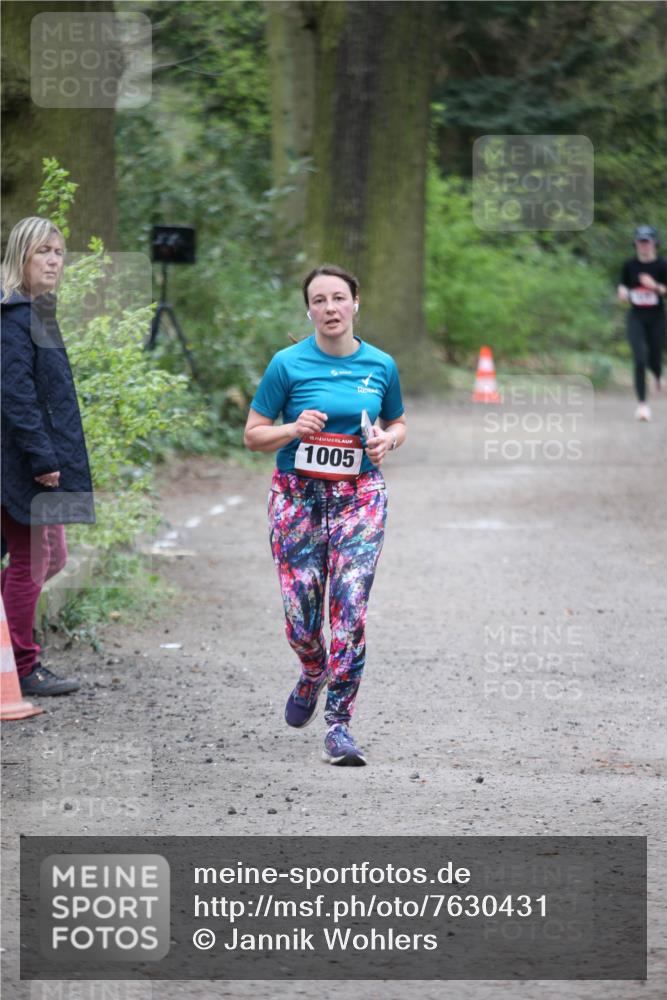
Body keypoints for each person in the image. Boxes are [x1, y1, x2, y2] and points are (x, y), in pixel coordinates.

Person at [244, 264, 406, 766]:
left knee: (350, 610)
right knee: (301, 621)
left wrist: (386, 440)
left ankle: (339, 725)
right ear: (309, 310)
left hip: (360, 497)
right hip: (297, 498)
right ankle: (313, 669)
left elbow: (398, 422)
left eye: (339, 298)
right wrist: (292, 429)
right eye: (319, 300)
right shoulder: (287, 365)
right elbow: (253, 434)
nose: (330, 308)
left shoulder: (381, 364)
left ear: (356, 303)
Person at [1, 216, 95, 695]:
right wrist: (42, 458)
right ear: (21, 257)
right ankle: (21, 667)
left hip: (35, 459)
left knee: (52, 556)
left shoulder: (37, 312)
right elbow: (16, 396)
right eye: (43, 251)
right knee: (32, 560)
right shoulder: (14, 318)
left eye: (58, 252)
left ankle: (9, 651)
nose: (54, 261)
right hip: (20, 464)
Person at [617, 225, 667, 421]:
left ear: (654, 243)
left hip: (657, 317)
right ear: (636, 244)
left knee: (655, 356)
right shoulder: (629, 265)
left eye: (647, 241)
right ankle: (643, 406)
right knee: (639, 358)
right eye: (640, 241)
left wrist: (654, 286)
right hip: (636, 316)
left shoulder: (662, 265)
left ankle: (657, 374)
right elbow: (623, 285)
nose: (644, 245)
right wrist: (622, 291)